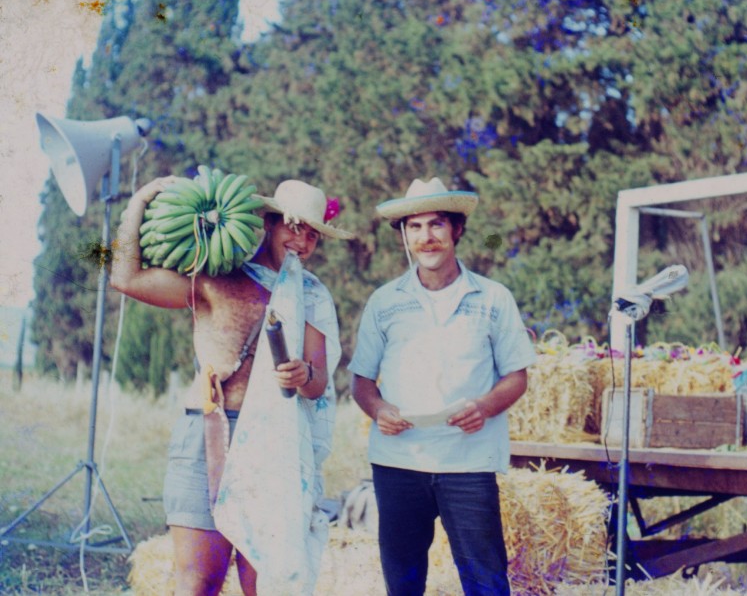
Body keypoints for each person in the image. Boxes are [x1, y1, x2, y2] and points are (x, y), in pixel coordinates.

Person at [111, 178, 354, 595]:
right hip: (207, 433)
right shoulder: (217, 278)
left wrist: (302, 375)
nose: (302, 241)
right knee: (197, 582)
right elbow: (127, 279)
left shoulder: (312, 296)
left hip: (276, 442)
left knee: (265, 580)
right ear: (270, 224)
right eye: (294, 227)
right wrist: (138, 202)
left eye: (312, 235)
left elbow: (317, 384)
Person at [348, 177, 537, 595]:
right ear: (403, 236)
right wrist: (379, 410)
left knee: (486, 581)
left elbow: (517, 376)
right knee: (404, 582)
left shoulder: (492, 297)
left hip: (468, 462)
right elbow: (361, 381)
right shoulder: (385, 301)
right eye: (414, 227)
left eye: (436, 225)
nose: (426, 237)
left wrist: (485, 407)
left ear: (457, 230)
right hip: (399, 461)